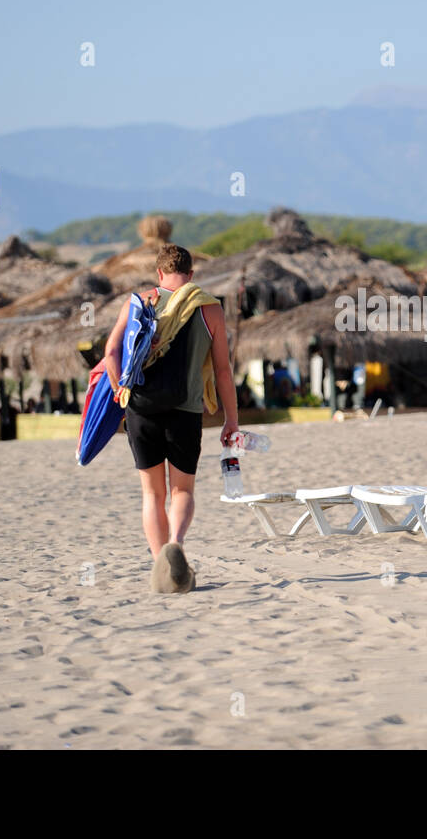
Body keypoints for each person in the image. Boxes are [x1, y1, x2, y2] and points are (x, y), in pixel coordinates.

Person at [103, 243, 238, 595]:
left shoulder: (138, 303)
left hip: (141, 408)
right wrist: (231, 421)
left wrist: (120, 390)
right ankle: (175, 542)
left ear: (159, 274)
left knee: (152, 493)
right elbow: (223, 371)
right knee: (182, 490)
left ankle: (160, 563)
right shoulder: (210, 309)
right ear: (191, 275)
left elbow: (111, 353)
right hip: (185, 410)